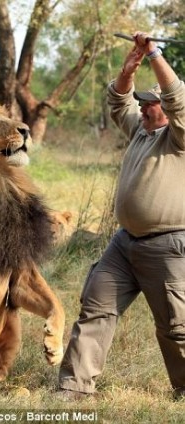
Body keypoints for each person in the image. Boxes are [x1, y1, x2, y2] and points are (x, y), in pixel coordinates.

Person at [58, 31, 185, 400]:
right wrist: (130, 69)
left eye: (151, 104)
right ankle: (73, 389)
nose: (144, 108)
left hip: (168, 246)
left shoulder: (178, 135)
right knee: (95, 308)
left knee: (176, 327)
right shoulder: (142, 131)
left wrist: (155, 54)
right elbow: (118, 102)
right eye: (143, 104)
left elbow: (177, 99)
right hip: (124, 242)